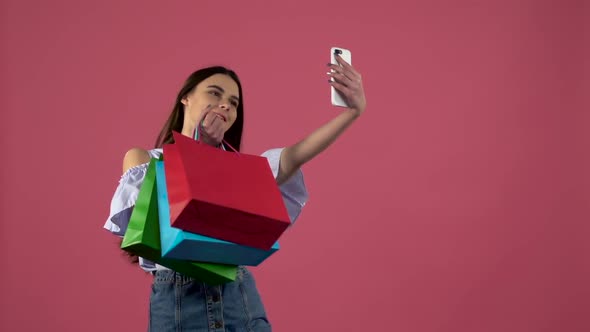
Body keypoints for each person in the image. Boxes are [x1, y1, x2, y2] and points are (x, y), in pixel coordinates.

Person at [104, 54, 366, 331]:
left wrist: (353, 112)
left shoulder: (240, 174)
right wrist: (199, 149)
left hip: (239, 300)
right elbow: (154, 235)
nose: (224, 105)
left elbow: (296, 155)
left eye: (233, 103)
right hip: (180, 303)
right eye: (214, 93)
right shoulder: (145, 160)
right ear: (186, 98)